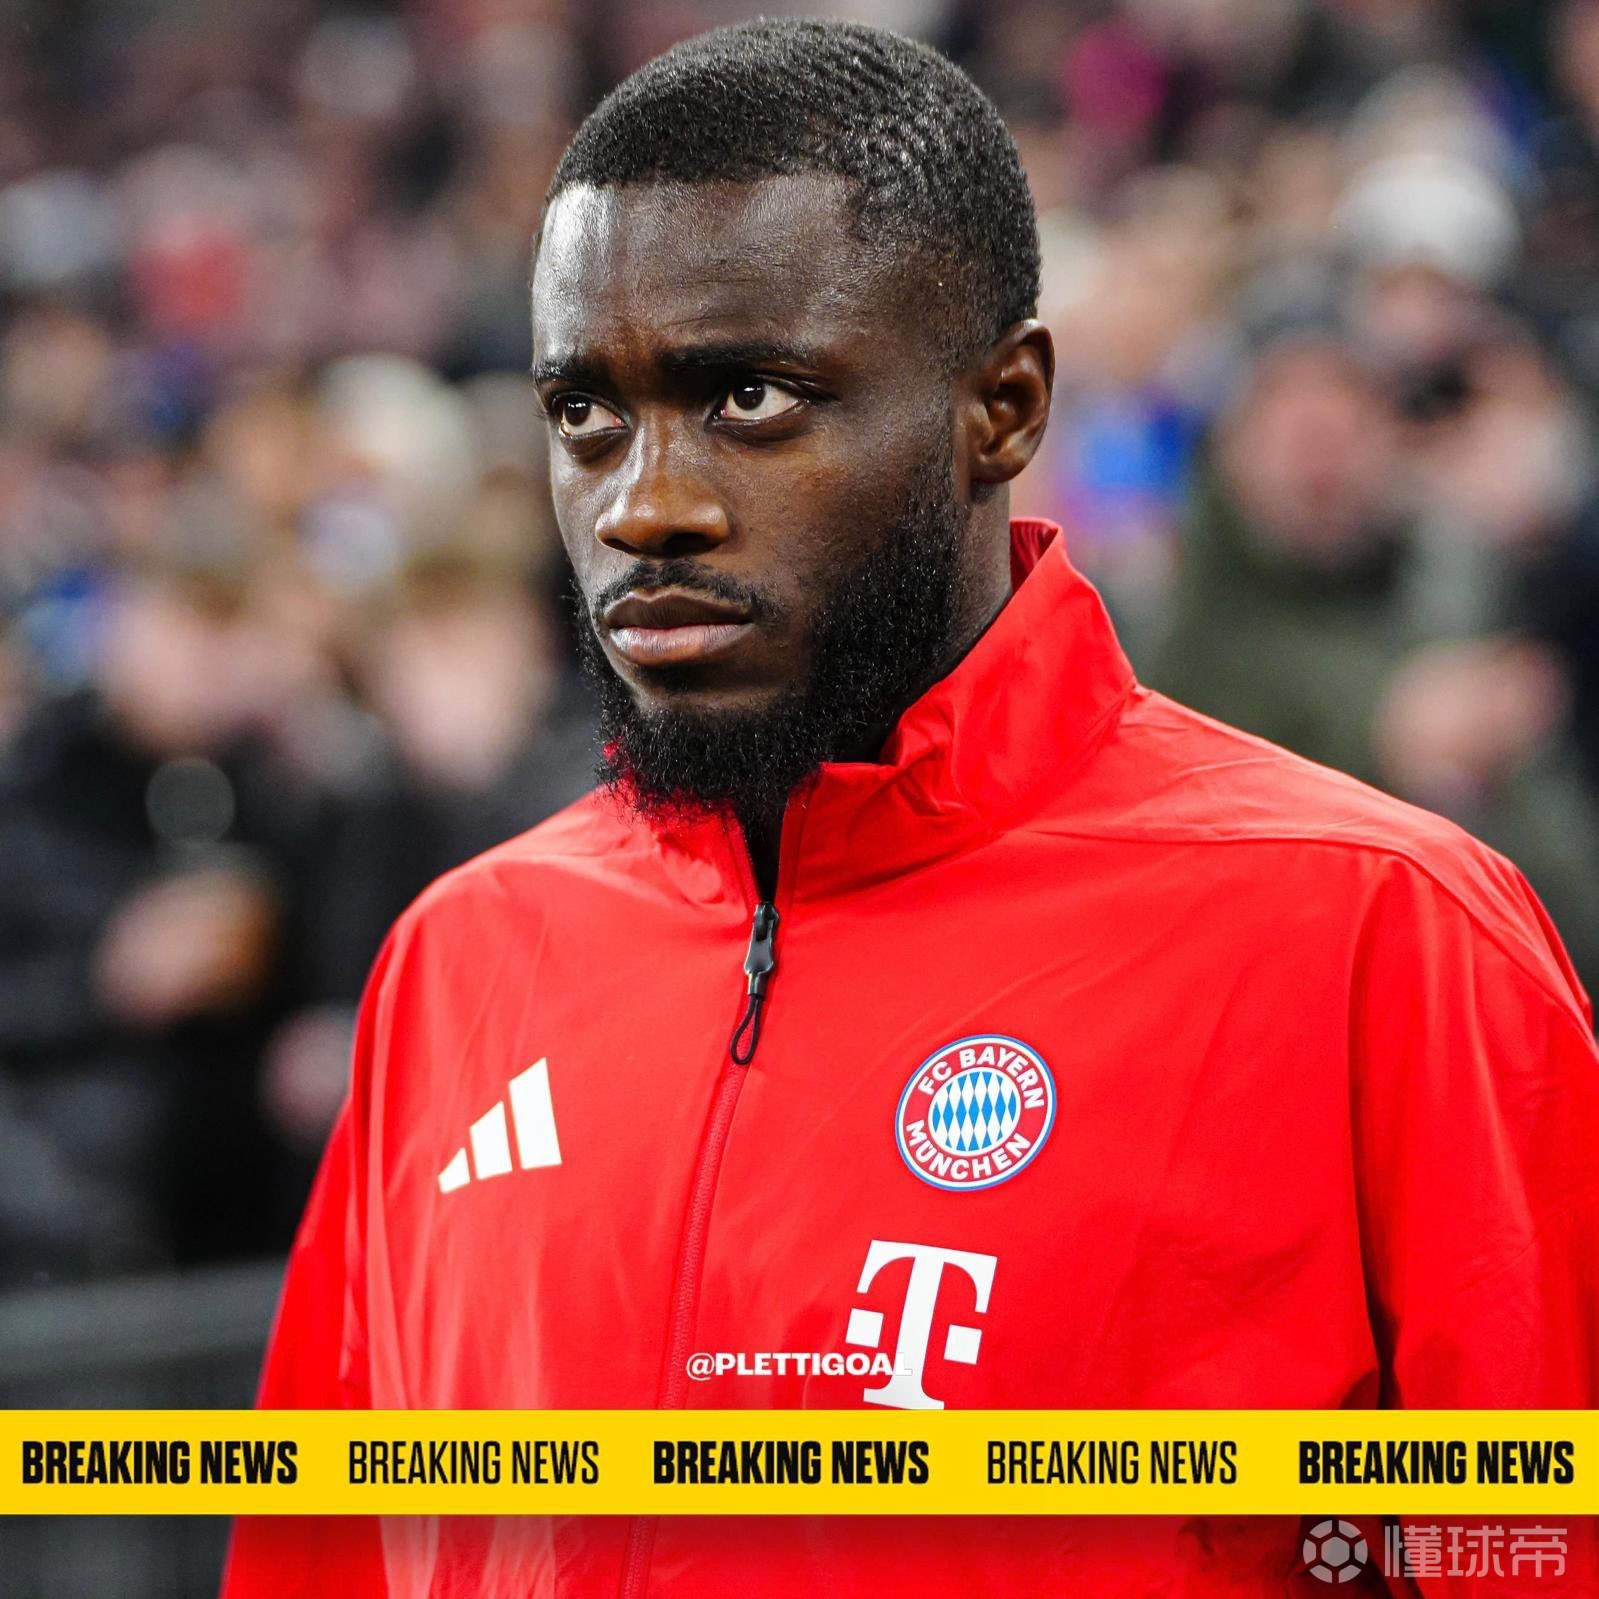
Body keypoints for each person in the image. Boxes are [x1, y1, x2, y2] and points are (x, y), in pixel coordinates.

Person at [223, 20, 1599, 1598]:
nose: (643, 506)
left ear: (1001, 407)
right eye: (585, 416)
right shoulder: (457, 963)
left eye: (751, 397)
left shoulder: (1380, 932)